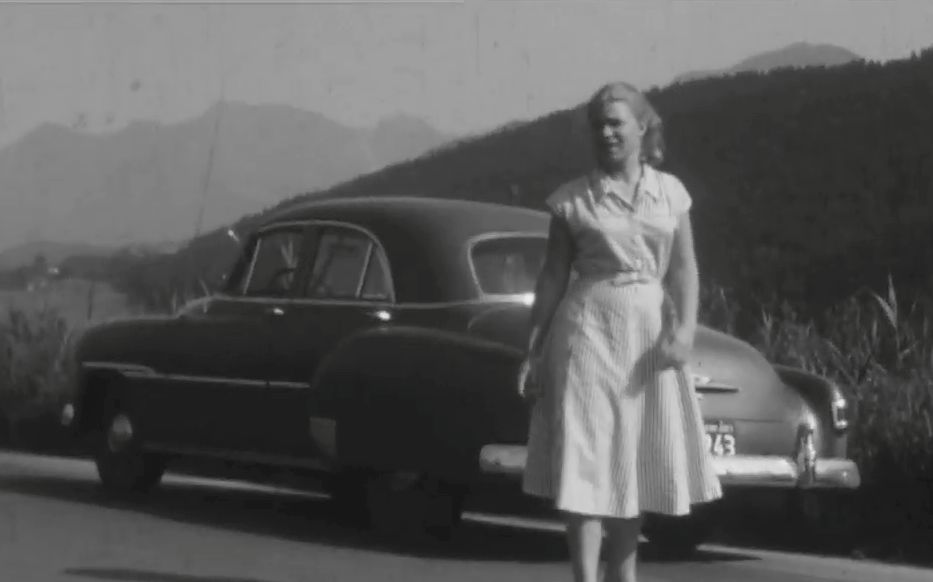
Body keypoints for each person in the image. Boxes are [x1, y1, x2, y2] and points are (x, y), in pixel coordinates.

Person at [518, 82, 723, 582]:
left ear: (642, 126)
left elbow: (685, 269)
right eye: (598, 126)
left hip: (647, 334)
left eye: (615, 123)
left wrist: (686, 330)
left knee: (634, 452)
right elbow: (552, 276)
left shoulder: (671, 194)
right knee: (586, 456)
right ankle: (585, 576)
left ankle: (623, 574)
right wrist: (533, 348)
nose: (606, 133)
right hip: (586, 332)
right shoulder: (572, 200)